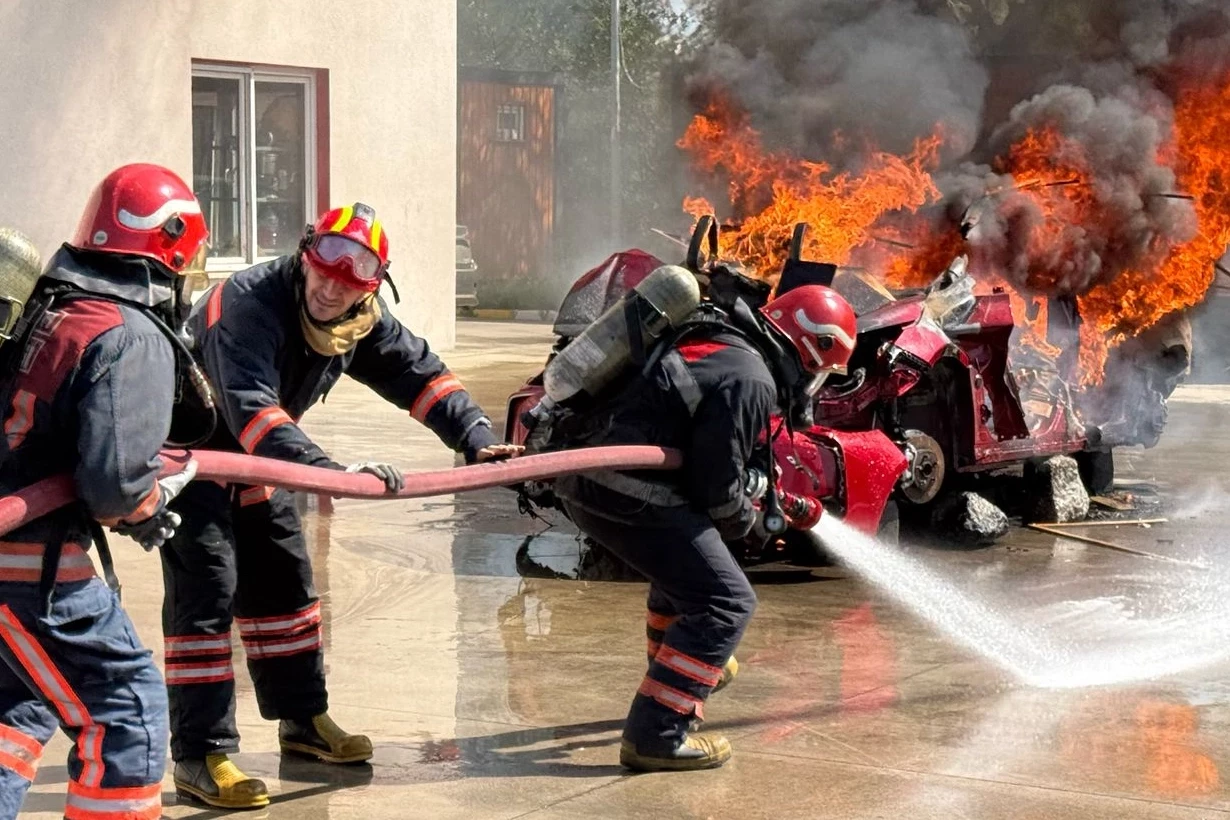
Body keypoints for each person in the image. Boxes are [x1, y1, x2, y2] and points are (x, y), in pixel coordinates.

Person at [163, 201, 520, 809]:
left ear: (373, 286)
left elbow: (419, 374)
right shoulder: (248, 304)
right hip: (195, 460)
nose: (331, 291)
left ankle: (303, 722)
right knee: (206, 594)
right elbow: (252, 412)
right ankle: (201, 755)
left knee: (286, 587)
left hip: (262, 464)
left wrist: (476, 435)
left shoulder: (358, 318)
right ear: (305, 257)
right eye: (324, 273)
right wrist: (331, 473)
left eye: (350, 282)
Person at [553, 283, 858, 771]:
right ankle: (657, 735)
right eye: (822, 371)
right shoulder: (752, 377)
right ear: (811, 346)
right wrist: (750, 523)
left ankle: (678, 674)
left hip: (588, 480)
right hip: (624, 489)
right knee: (726, 603)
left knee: (687, 576)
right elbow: (717, 489)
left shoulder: (723, 338)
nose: (814, 384)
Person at [0, 164, 208, 818]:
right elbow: (114, 484)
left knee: (21, 701)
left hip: (14, 554)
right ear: (173, 250)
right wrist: (149, 501)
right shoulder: (129, 333)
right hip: (33, 572)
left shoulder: (54, 309)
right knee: (126, 709)